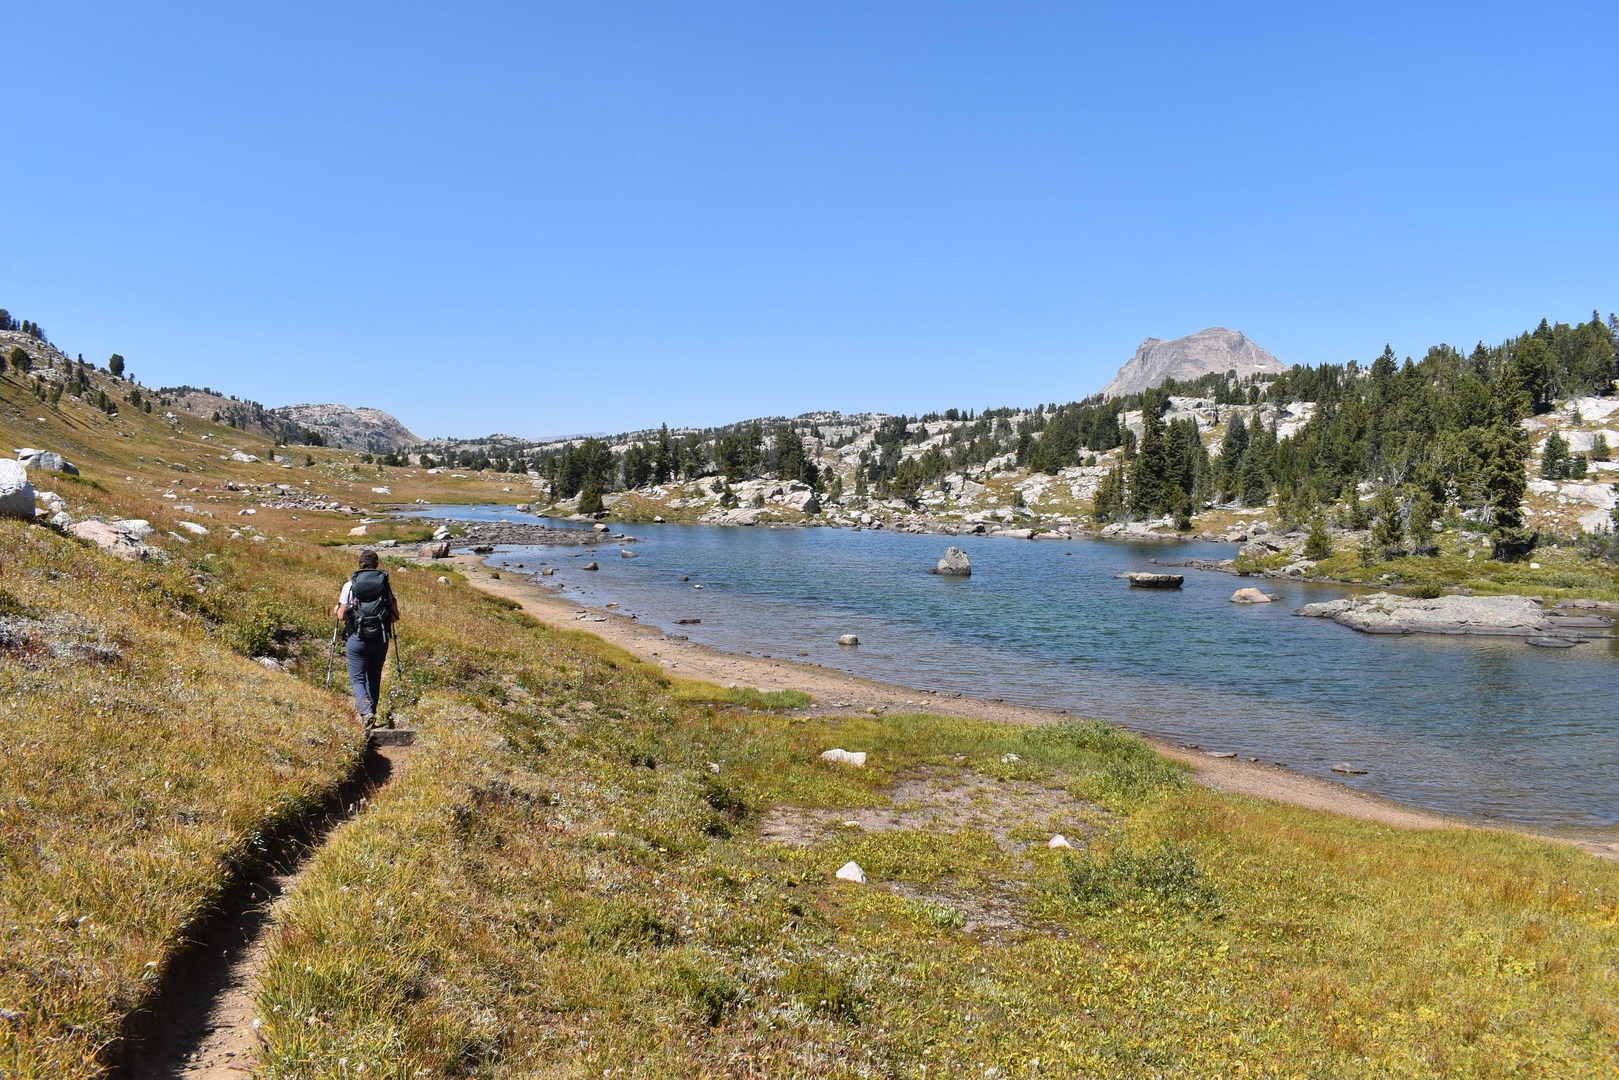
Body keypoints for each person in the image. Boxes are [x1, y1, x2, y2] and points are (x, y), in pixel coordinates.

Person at [333, 550, 400, 725]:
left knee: (358, 678)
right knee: (374, 678)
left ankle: (365, 712)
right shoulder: (385, 585)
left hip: (357, 638)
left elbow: (342, 616)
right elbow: (395, 616)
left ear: (360, 564)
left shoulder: (350, 585)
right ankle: (371, 714)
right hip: (380, 639)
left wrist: (337, 610)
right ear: (376, 565)